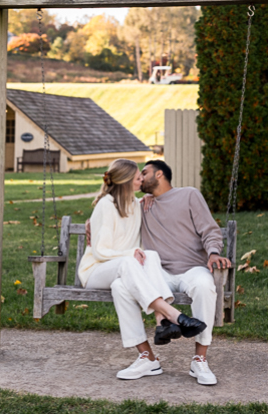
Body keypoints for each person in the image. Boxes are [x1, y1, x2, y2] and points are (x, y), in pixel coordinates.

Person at [77, 159, 208, 381]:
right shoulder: (105, 205)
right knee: (130, 262)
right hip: (95, 270)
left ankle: (150, 352)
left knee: (142, 265)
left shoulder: (136, 205)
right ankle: (173, 315)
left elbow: (138, 240)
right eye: (138, 176)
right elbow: (100, 252)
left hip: (120, 272)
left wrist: (148, 199)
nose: (141, 179)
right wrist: (128, 253)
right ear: (126, 180)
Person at [133, 159, 232, 386]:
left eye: (144, 173)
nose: (139, 178)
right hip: (159, 274)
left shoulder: (189, 195)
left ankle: (200, 359)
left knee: (205, 286)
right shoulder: (142, 205)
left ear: (159, 175)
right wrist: (91, 222)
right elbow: (114, 214)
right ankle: (154, 344)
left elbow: (209, 229)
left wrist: (214, 253)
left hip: (192, 268)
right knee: (129, 282)